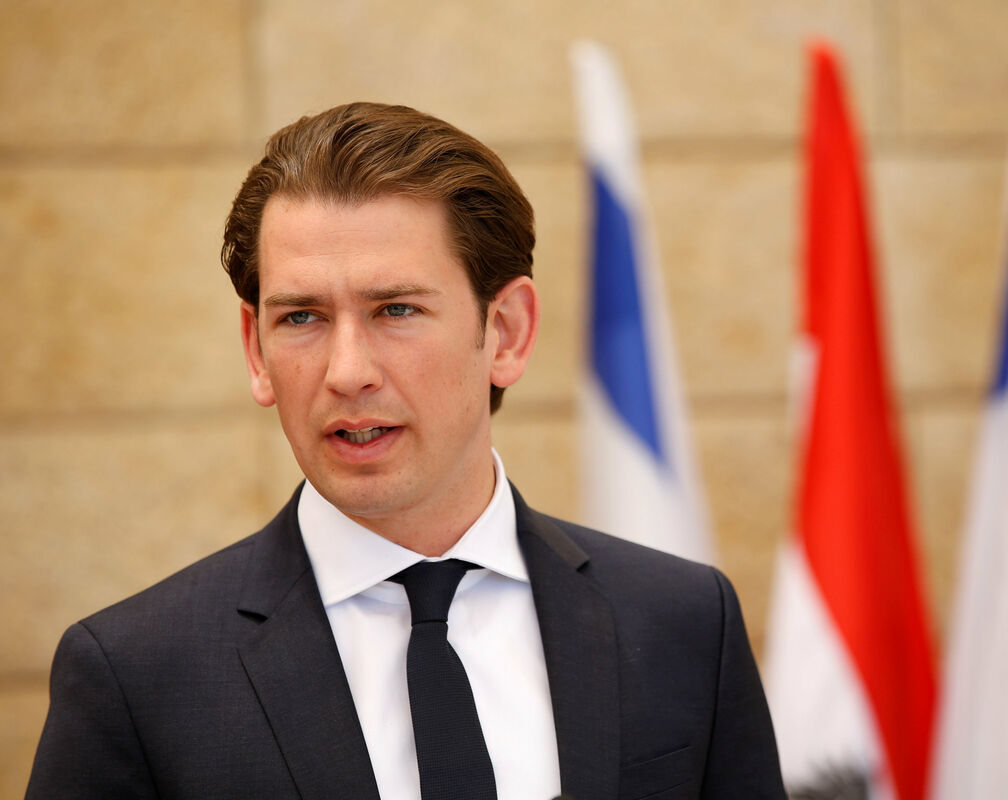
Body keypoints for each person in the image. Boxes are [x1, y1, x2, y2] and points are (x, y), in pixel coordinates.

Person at [26, 102, 785, 800]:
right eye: (301, 318)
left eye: (395, 309)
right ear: (255, 350)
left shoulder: (686, 623)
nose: (347, 371)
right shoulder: (133, 675)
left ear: (507, 332)